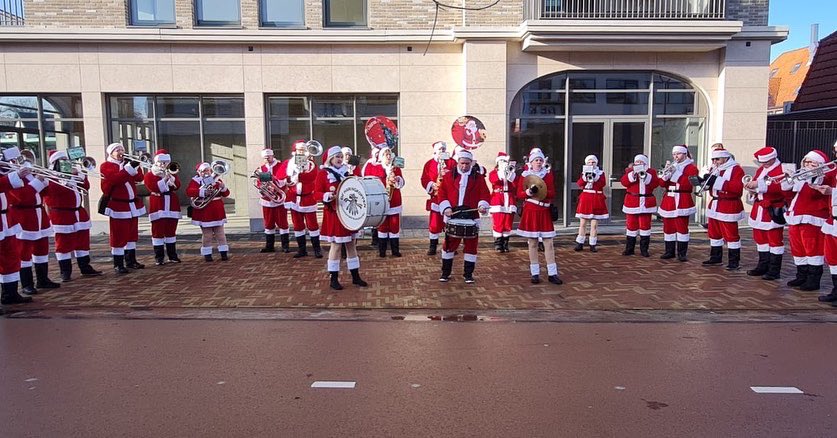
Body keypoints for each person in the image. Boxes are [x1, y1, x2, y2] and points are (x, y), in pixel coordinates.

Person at [315, 146, 368, 290]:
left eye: (340, 156)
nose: (339, 159)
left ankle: (355, 276)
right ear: (330, 159)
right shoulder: (323, 173)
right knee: (337, 246)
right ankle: (333, 278)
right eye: (336, 156)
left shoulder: (347, 171)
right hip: (334, 214)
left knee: (351, 244)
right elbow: (317, 193)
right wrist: (327, 196)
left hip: (349, 214)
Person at [43, 150, 102, 280]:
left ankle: (85, 267)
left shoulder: (72, 173)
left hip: (78, 212)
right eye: (63, 160)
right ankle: (65, 271)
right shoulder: (51, 177)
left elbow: (85, 187)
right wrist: (69, 177)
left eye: (67, 160)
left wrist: (82, 175)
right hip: (61, 213)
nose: (67, 162)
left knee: (82, 241)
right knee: (63, 243)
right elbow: (53, 191)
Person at [7, 149, 59, 292]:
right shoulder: (12, 177)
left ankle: (42, 279)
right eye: (22, 159)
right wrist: (38, 181)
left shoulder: (32, 174)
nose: (26, 161)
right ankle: (26, 284)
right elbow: (23, 197)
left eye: (28, 158)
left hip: (39, 214)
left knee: (42, 249)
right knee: (24, 251)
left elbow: (47, 195)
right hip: (23, 215)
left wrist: (48, 179)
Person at [437, 148, 490, 284]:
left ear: (471, 163)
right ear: (458, 162)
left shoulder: (478, 178)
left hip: (471, 214)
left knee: (471, 246)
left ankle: (468, 274)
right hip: (453, 213)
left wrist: (483, 205)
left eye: (467, 163)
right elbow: (442, 193)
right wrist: (446, 207)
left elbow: (485, 194)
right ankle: (446, 272)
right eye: (462, 163)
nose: (464, 166)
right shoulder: (449, 176)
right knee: (449, 245)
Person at [781, 150, 830, 291]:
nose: (807, 165)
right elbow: (786, 190)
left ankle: (813, 280)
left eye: (811, 162)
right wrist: (788, 178)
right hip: (795, 215)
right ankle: (801, 275)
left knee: (812, 248)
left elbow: (816, 191)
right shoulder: (801, 175)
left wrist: (814, 173)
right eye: (806, 162)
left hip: (812, 217)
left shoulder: (823, 176)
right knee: (798, 248)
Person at [516, 147, 562, 285]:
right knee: (533, 243)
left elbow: (553, 193)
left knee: (549, 243)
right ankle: (535, 273)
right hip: (531, 211)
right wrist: (529, 193)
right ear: (531, 162)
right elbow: (519, 194)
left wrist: (543, 191)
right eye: (536, 160)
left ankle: (552, 273)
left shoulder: (547, 175)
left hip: (544, 211)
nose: (538, 162)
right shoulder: (525, 175)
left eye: (540, 160)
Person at [100, 143, 146, 273]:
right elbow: (116, 180)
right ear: (111, 153)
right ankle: (118, 263)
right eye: (118, 150)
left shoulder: (127, 164)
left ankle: (131, 260)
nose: (121, 152)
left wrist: (136, 166)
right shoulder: (106, 166)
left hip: (132, 204)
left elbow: (139, 178)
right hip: (118, 205)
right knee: (119, 234)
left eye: (122, 149)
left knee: (132, 234)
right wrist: (128, 168)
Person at [744, 146, 788, 280]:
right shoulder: (761, 169)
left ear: (773, 158)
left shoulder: (782, 169)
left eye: (766, 162)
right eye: (762, 162)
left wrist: (758, 185)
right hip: (759, 208)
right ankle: (762, 265)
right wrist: (751, 189)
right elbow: (757, 186)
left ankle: (774, 270)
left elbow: (781, 188)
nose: (763, 164)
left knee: (774, 240)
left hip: (772, 208)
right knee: (760, 239)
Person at [698, 145, 745, 270]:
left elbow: (737, 188)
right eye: (713, 160)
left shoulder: (736, 169)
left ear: (725, 158)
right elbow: (711, 186)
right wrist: (703, 182)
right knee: (714, 233)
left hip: (728, 204)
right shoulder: (715, 169)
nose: (714, 162)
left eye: (717, 160)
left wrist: (716, 181)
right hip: (715, 204)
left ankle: (734, 261)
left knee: (731, 234)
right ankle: (715, 257)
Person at [0, 148, 33, 307]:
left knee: (11, 256)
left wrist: (9, 165)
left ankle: (10, 292)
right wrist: (15, 175)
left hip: (6, 218)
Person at [658, 145, 699, 261]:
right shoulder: (672, 166)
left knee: (681, 226)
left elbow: (688, 184)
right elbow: (661, 184)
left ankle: (682, 253)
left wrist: (675, 174)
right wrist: (665, 176)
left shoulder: (691, 167)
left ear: (685, 154)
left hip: (682, 197)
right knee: (668, 226)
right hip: (669, 198)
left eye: (678, 154)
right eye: (674, 154)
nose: (676, 156)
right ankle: (669, 251)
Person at [143, 149, 182, 265]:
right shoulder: (150, 175)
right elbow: (153, 188)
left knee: (171, 231)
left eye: (166, 162)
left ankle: (172, 255)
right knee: (157, 231)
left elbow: (177, 186)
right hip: (158, 203)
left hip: (171, 204)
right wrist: (164, 179)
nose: (163, 164)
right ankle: (159, 257)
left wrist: (171, 178)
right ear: (156, 162)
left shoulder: (171, 173)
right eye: (161, 162)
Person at [186, 162, 230, 262]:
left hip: (217, 210)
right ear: (199, 172)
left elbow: (226, 194)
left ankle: (224, 253)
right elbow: (189, 191)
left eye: (208, 170)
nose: (207, 173)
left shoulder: (217, 180)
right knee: (207, 235)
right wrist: (202, 192)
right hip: (204, 211)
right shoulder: (195, 180)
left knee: (220, 234)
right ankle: (207, 254)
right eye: (204, 171)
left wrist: (223, 187)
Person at [285, 140, 322, 258]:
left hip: (308, 198)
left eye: (302, 150)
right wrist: (291, 178)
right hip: (294, 198)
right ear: (294, 151)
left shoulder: (311, 164)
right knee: (298, 225)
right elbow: (287, 179)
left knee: (312, 225)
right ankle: (302, 249)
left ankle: (317, 249)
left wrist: (299, 173)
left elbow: (311, 177)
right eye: (298, 150)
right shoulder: (290, 163)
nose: (300, 152)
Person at [366, 146, 405, 257]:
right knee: (382, 226)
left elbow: (401, 182)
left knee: (394, 226)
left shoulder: (396, 168)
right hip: (382, 200)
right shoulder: (377, 168)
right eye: (385, 155)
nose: (388, 156)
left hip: (394, 200)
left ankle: (395, 250)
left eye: (389, 154)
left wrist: (397, 179)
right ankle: (382, 250)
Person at [420, 141, 455, 256]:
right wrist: (431, 184)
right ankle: (433, 245)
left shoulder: (451, 162)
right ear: (435, 151)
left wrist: (449, 174)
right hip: (436, 197)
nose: (442, 151)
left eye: (444, 149)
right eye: (440, 149)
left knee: (449, 223)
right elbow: (424, 178)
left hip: (449, 198)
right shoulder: (429, 164)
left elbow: (457, 176)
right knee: (434, 223)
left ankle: (449, 246)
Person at [620, 154, 659, 257]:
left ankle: (644, 249)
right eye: (637, 162)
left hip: (646, 202)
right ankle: (629, 248)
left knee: (645, 227)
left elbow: (655, 184)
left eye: (641, 162)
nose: (639, 164)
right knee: (631, 226)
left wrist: (646, 176)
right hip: (632, 201)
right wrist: (633, 174)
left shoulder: (651, 172)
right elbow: (624, 182)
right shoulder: (629, 171)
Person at [816, 141, 837, 306]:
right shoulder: (835, 169)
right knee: (832, 257)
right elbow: (822, 180)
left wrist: (832, 191)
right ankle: (836, 290)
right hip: (833, 219)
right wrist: (816, 171)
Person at [256, 148, 289, 254]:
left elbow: (283, 181)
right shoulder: (261, 169)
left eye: (268, 157)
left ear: (272, 155)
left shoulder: (280, 166)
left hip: (279, 198)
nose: (267, 159)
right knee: (268, 223)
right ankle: (269, 246)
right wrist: (262, 189)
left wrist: (274, 181)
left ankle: (285, 246)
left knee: (282, 223)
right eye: (265, 157)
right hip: (267, 200)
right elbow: (260, 183)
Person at [574, 155, 608, 252]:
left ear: (596, 163)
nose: (591, 164)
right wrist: (585, 177)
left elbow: (602, 184)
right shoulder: (583, 173)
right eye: (589, 162)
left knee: (594, 225)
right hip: (586, 198)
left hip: (596, 198)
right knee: (583, 223)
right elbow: (580, 184)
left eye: (593, 162)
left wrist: (595, 177)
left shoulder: (601, 173)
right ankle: (580, 243)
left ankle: (592, 244)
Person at [488, 151, 517, 253]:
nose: (504, 163)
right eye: (502, 161)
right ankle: (498, 244)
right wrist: (502, 172)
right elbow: (494, 180)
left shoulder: (511, 172)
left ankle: (505, 243)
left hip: (509, 200)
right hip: (498, 200)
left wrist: (509, 174)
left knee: (508, 223)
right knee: (498, 222)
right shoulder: (493, 173)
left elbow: (515, 185)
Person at [362, 147, 381, 248]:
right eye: (376, 153)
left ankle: (382, 239)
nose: (377, 155)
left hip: (382, 193)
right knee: (374, 215)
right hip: (372, 192)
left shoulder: (383, 164)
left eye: (379, 153)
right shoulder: (369, 164)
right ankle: (374, 238)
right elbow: (364, 176)